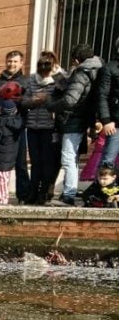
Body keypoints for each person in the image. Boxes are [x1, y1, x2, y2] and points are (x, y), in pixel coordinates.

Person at [44, 43, 103, 205]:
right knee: (74, 157)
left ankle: (68, 195)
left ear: (77, 60)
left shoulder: (81, 73)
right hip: (88, 119)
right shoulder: (99, 69)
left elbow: (70, 99)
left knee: (68, 158)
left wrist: (51, 105)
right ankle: (70, 189)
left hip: (73, 120)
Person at [23, 56, 60, 205]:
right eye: (42, 68)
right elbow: (24, 101)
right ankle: (32, 192)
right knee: (35, 162)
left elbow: (61, 101)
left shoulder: (57, 80)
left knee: (47, 162)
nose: (45, 73)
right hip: (32, 126)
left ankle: (44, 193)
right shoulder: (31, 80)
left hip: (49, 127)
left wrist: (47, 99)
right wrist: (34, 100)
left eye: (47, 69)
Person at [0, 50, 31, 200]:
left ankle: (23, 195)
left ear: (21, 63)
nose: (12, 64)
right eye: (9, 61)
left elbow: (29, 102)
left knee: (20, 161)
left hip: (18, 126)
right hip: (0, 126)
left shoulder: (26, 81)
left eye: (15, 61)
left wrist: (18, 99)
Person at [98, 37, 119, 169]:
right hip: (115, 124)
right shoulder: (109, 68)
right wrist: (106, 120)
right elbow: (102, 96)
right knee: (108, 162)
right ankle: (102, 189)